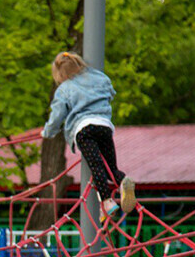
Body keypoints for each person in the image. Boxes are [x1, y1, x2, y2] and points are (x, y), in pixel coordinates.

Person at [42, 51, 136, 223]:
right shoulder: (99, 77)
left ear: (61, 74)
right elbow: (110, 93)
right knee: (109, 167)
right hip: (104, 126)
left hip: (84, 129)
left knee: (96, 165)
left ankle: (107, 202)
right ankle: (123, 181)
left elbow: (57, 116)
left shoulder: (65, 88)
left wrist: (48, 132)